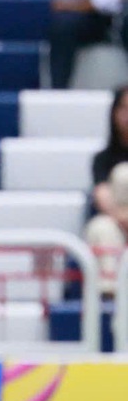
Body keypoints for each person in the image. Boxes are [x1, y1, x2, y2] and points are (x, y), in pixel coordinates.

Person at [47, 0, 128, 88]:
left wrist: (88, 4)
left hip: (121, 12)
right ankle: (58, 90)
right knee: (63, 24)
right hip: (87, 18)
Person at [84, 85, 128, 293]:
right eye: (124, 109)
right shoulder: (103, 160)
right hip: (119, 224)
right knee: (100, 227)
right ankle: (111, 293)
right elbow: (102, 196)